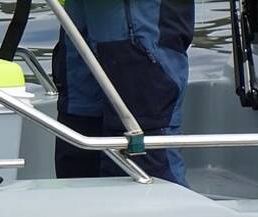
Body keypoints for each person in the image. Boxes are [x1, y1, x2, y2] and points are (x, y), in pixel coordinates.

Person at [52, 0, 195, 185]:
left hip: (137, 19)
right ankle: (85, 210)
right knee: (80, 131)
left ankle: (165, 211)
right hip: (84, 13)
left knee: (143, 145)